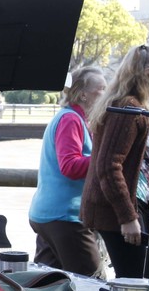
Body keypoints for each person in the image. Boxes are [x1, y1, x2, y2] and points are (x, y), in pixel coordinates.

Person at [80, 44, 149, 283]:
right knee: (134, 284)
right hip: (117, 212)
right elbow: (108, 166)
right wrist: (127, 217)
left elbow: (128, 159)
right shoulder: (128, 110)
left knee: (142, 279)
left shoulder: (132, 107)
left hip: (127, 207)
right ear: (148, 73)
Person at [28, 66, 107, 275]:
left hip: (49, 215)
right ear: (83, 94)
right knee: (93, 283)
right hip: (65, 217)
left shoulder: (74, 118)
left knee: (48, 284)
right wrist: (104, 158)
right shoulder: (70, 119)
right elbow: (70, 166)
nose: (106, 94)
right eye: (101, 89)